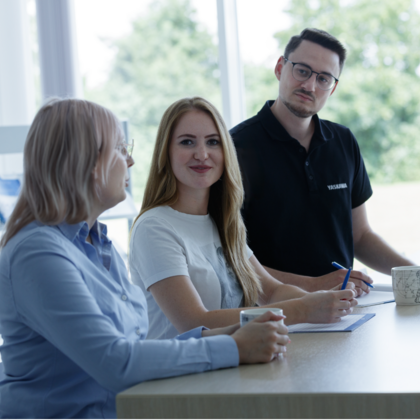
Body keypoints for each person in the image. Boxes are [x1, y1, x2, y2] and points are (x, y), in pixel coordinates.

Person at [0, 98, 289, 419]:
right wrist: (235, 347)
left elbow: (135, 346)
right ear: (87, 160)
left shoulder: (100, 245)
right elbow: (116, 362)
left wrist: (231, 333)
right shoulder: (38, 253)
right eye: (120, 149)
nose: (131, 161)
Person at [129, 96, 357, 340]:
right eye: (187, 142)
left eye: (213, 142)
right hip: (182, 365)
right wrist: (303, 310)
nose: (202, 154)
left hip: (230, 360)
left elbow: (271, 292)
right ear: (166, 152)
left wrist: (325, 301)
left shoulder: (222, 221)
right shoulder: (154, 227)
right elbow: (194, 323)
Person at [230, 28, 414, 296]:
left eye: (323, 78)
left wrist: (414, 272)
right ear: (280, 68)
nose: (310, 86)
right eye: (302, 71)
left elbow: (360, 236)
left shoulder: (344, 141)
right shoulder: (235, 148)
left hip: (345, 309)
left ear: (333, 87)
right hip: (272, 312)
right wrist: (314, 286)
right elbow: (229, 256)